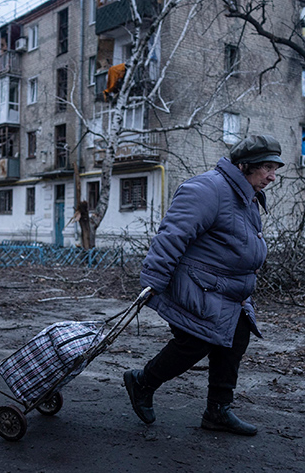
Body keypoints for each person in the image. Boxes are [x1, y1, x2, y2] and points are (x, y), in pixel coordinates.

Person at [124, 134, 284, 436]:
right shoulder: (208, 189)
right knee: (196, 342)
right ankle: (142, 382)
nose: (273, 177)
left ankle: (218, 411)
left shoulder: (245, 194)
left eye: (275, 169)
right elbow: (172, 235)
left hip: (225, 290)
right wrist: (154, 281)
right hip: (195, 286)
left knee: (236, 338)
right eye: (267, 168)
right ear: (244, 165)